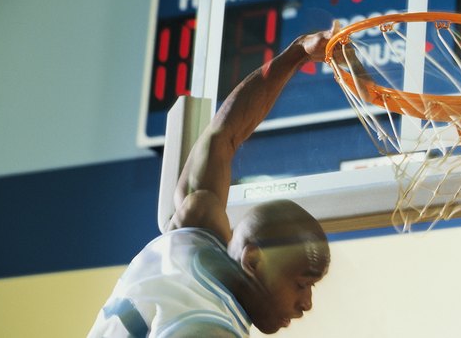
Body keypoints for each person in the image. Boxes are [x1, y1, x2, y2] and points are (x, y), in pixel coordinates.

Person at [88, 24, 338, 337]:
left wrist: (299, 52)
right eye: (302, 285)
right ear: (253, 259)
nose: (307, 303)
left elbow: (225, 135)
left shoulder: (194, 231)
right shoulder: (206, 326)